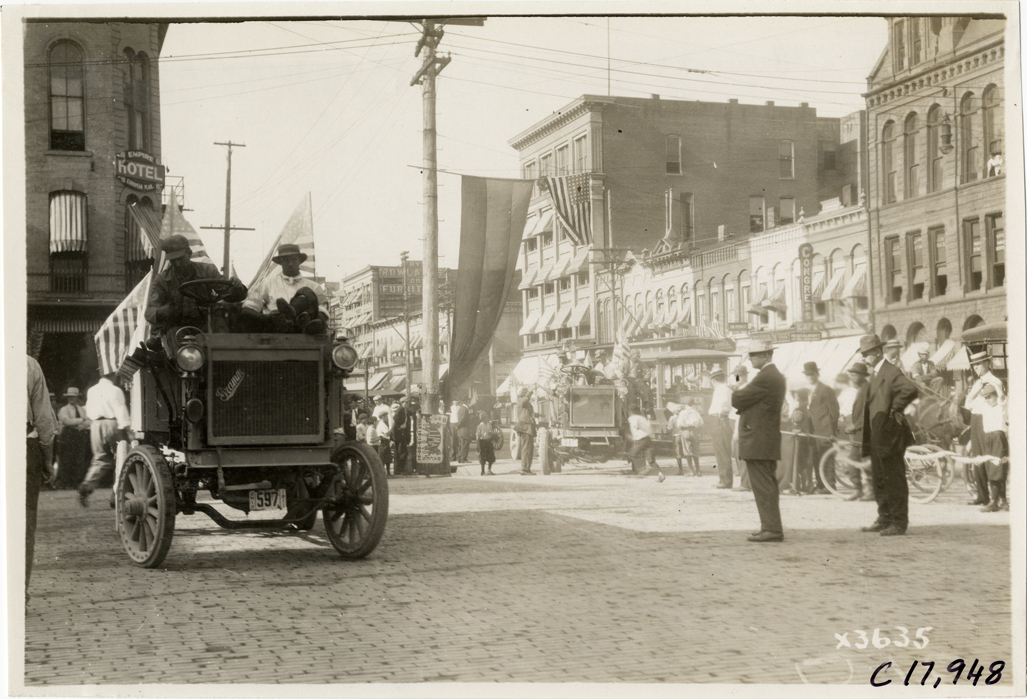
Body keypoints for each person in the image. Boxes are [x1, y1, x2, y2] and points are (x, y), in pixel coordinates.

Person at [857, 334, 919, 536]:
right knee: (879, 478)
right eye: (863, 354)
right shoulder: (875, 373)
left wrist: (893, 410)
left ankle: (899, 522)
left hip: (890, 435)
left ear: (876, 352)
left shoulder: (890, 371)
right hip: (878, 436)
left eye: (866, 354)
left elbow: (909, 389)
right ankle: (884, 517)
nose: (864, 358)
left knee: (894, 479)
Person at [731, 339, 787, 543]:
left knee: (763, 486)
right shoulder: (772, 376)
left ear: (765, 355)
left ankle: (771, 528)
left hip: (758, 439)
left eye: (753, 355)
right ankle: (770, 526)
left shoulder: (765, 377)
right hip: (765, 438)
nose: (751, 359)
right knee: (767, 485)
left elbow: (737, 399)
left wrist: (737, 383)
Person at [145, 234, 247, 332]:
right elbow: (149, 311)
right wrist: (162, 312)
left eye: (180, 259)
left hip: (205, 324)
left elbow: (229, 294)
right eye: (173, 260)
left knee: (222, 336)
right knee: (174, 338)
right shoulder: (162, 279)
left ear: (189, 253)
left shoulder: (207, 271)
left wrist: (237, 287)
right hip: (177, 326)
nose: (177, 264)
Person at [240, 243, 328, 335]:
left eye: (293, 259)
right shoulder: (267, 284)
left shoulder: (314, 287)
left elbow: (323, 312)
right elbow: (248, 309)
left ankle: (295, 313)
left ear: (299, 261)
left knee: (306, 292)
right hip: (276, 332)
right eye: (286, 260)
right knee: (281, 318)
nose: (290, 264)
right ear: (280, 262)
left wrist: (315, 321)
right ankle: (289, 313)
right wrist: (266, 318)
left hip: (304, 333)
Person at [78, 373, 132, 508]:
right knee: (121, 459)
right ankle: (117, 494)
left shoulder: (92, 390)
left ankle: (87, 485)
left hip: (96, 425)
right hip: (112, 424)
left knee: (100, 459)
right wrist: (128, 428)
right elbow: (120, 409)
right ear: (114, 376)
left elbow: (89, 409)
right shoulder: (115, 390)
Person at [27, 356, 57, 593]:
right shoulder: (28, 364)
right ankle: (18, 594)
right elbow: (44, 419)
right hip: (22, 447)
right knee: (23, 523)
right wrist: (47, 460)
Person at [963, 351, 1006, 507]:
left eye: (979, 364)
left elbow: (996, 403)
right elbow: (968, 405)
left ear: (987, 364)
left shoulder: (994, 382)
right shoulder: (978, 382)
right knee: (977, 458)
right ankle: (982, 496)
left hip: (986, 422)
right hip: (975, 420)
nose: (976, 368)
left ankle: (999, 499)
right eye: (974, 365)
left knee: (991, 459)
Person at [804, 362, 840, 494]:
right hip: (813, 430)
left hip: (825, 430)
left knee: (827, 457)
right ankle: (820, 484)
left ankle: (830, 485)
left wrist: (832, 430)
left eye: (812, 374)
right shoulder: (809, 390)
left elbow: (834, 411)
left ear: (817, 374)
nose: (810, 377)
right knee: (816, 457)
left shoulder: (826, 389)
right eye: (807, 375)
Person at [842, 363, 874, 502]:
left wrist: (855, 426)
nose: (851, 377)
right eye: (851, 374)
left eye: (854, 375)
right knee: (855, 461)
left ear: (862, 376)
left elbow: (868, 414)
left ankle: (867, 491)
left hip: (864, 432)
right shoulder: (862, 388)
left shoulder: (866, 389)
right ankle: (859, 490)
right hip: (860, 434)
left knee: (863, 462)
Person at [977, 384, 1009, 512]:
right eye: (985, 397)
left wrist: (994, 383)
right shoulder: (985, 406)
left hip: (998, 438)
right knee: (991, 469)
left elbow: (1001, 396)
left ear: (996, 395)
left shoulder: (1002, 406)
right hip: (988, 438)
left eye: (990, 396)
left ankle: (994, 501)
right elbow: (969, 402)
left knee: (998, 468)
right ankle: (1003, 501)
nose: (987, 399)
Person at [55, 386, 92, 489]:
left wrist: (82, 422)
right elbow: (67, 421)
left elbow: (88, 422)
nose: (71, 398)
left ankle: (76, 482)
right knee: (67, 459)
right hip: (68, 436)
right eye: (69, 397)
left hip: (79, 436)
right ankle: (66, 483)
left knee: (79, 459)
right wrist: (81, 420)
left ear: (77, 398)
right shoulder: (64, 409)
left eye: (73, 397)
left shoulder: (81, 409)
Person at [708, 367, 734, 489]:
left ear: (713, 380)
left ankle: (725, 480)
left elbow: (724, 406)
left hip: (719, 420)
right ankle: (724, 479)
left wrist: (720, 414)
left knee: (722, 450)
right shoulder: (725, 388)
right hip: (719, 420)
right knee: (722, 450)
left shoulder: (721, 389)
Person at [627, 406, 664, 482]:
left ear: (630, 412)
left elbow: (634, 427)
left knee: (632, 454)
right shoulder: (642, 418)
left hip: (640, 439)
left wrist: (631, 436)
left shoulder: (632, 418)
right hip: (648, 438)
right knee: (651, 459)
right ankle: (660, 474)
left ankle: (642, 470)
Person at [674, 399, 703, 476]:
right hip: (694, 431)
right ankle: (698, 471)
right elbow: (701, 422)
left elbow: (679, 424)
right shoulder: (696, 412)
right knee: (695, 451)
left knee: (687, 451)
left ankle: (691, 471)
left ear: (685, 404)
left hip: (685, 431)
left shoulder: (683, 413)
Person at [514, 388, 537, 475]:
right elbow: (524, 402)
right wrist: (529, 393)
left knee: (528, 449)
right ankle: (525, 469)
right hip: (526, 427)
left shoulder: (524, 401)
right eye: (527, 395)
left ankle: (527, 468)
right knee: (527, 449)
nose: (530, 396)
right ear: (524, 395)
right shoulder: (521, 400)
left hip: (527, 427)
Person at [392, 400, 411, 475]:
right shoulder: (400, 409)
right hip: (399, 433)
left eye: (407, 403)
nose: (406, 404)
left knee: (401, 451)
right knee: (401, 451)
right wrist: (398, 426)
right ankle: (399, 469)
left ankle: (399, 469)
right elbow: (395, 417)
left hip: (402, 432)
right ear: (402, 403)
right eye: (405, 403)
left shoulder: (404, 410)